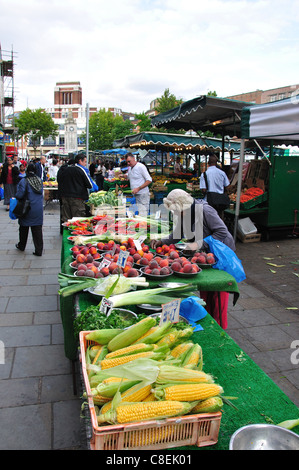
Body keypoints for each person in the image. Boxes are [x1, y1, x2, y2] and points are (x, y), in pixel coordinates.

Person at [150, 189, 235, 329]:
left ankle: (220, 325)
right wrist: (162, 241)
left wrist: (198, 244)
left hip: (221, 254)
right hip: (204, 256)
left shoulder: (205, 211)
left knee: (218, 290)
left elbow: (222, 231)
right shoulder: (184, 213)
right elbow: (177, 234)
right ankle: (207, 317)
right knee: (206, 288)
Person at [15, 163, 44, 256]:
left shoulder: (24, 181)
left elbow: (19, 195)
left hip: (27, 208)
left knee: (23, 228)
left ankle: (22, 246)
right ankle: (39, 250)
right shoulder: (40, 180)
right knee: (37, 230)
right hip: (38, 209)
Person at [57, 153, 93, 223]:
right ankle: (76, 234)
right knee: (78, 220)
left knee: (66, 220)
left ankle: (67, 232)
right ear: (80, 161)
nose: (85, 164)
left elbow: (59, 181)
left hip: (65, 197)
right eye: (85, 162)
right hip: (77, 198)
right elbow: (90, 185)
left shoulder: (65, 169)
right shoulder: (81, 170)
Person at [199, 154, 230, 218]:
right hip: (220, 201)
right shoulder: (222, 173)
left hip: (209, 201)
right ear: (216, 163)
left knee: (209, 219)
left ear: (208, 163)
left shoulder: (204, 174)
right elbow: (227, 186)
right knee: (219, 218)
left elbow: (203, 189)